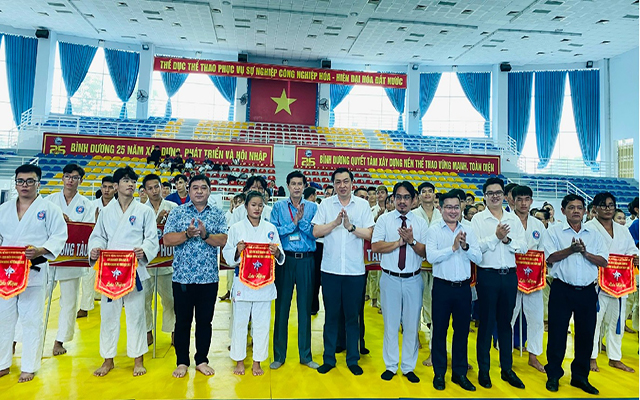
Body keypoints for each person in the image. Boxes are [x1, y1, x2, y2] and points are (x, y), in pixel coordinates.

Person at [88, 166, 160, 377]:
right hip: (110, 270)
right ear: (117, 185)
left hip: (134, 269)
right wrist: (96, 247)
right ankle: (107, 359)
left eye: (132, 181)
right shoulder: (106, 211)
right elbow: (98, 236)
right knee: (108, 315)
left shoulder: (144, 210)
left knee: (137, 315)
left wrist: (144, 249)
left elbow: (151, 239)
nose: (130, 184)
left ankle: (138, 359)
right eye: (126, 180)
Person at [0, 164, 67, 383]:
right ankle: (2, 363)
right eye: (20, 181)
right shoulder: (4, 209)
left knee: (31, 319)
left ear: (38, 183)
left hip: (34, 270)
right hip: (7, 273)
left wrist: (41, 250)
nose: (24, 186)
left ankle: (29, 366)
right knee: (3, 318)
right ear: (15, 183)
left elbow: (59, 236)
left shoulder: (48, 209)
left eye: (30, 181)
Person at [163, 174, 227, 378]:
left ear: (209, 191)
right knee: (182, 322)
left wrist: (206, 235)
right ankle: (182, 361)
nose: (199, 191)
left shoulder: (217, 214)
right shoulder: (178, 213)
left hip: (208, 279)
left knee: (205, 321)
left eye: (203, 188)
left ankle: (201, 360)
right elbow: (166, 240)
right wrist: (187, 235)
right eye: (195, 188)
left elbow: (224, 240)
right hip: (182, 278)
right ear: (189, 191)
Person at [311, 168, 374, 376]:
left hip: (355, 271)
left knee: (352, 316)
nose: (342, 185)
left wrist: (350, 226)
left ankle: (353, 359)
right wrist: (335, 223)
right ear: (334, 185)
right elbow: (315, 231)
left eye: (346, 181)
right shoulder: (326, 205)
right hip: (330, 270)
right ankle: (328, 358)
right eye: (338, 182)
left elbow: (370, 234)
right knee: (331, 316)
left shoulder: (363, 205)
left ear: (352, 183)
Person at [543, 194, 608, 395]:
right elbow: (550, 258)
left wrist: (585, 253)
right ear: (563, 210)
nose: (576, 211)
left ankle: (580, 377)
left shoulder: (594, 234)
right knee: (557, 334)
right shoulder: (553, 232)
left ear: (586, 211)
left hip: (587, 291)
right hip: (562, 289)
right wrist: (571, 250)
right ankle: (553, 375)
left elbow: (604, 261)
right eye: (571, 207)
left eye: (580, 207)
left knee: (586, 335)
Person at [471, 177, 528, 389]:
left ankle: (507, 369)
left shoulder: (513, 220)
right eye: (490, 193)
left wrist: (507, 240)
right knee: (485, 324)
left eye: (498, 192)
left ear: (505, 195)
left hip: (509, 276)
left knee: (506, 324)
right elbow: (475, 249)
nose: (495, 196)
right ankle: (484, 371)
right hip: (488, 276)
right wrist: (496, 238)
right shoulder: (477, 220)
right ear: (484, 196)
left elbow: (523, 247)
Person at [223, 191, 285, 376]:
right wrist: (237, 250)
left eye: (260, 205)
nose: (257, 208)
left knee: (262, 325)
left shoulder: (271, 229)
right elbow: (227, 255)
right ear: (246, 206)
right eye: (253, 205)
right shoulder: (236, 228)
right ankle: (239, 361)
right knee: (240, 324)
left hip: (264, 284)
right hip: (242, 282)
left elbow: (281, 256)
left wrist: (276, 252)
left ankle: (257, 362)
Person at [371, 181, 428, 384]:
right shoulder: (385, 221)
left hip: (413, 279)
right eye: (398, 197)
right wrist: (398, 243)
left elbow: (425, 252)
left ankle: (408, 367)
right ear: (392, 199)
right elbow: (376, 246)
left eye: (406, 197)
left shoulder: (420, 223)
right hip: (390, 279)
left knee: (412, 325)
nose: (402, 201)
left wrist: (411, 241)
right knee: (391, 324)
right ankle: (391, 365)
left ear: (414, 200)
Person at [426, 190, 481, 391]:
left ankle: (459, 373)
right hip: (441, 287)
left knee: (462, 332)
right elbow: (431, 257)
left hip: (463, 289)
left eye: (456, 207)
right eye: (448, 207)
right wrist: (453, 247)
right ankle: (439, 373)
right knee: (439, 331)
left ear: (461, 208)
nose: (452, 211)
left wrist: (465, 247)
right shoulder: (434, 230)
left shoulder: (469, 229)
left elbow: (479, 258)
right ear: (440, 208)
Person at [270, 171, 318, 370]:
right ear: (288, 186)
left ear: (304, 186)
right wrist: (293, 224)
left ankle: (305, 356)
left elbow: (315, 232)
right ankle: (279, 356)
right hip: (285, 259)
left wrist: (302, 222)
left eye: (300, 184)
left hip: (306, 260)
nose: (297, 187)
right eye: (293, 184)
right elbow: (273, 232)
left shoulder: (314, 207)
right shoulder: (279, 207)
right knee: (282, 308)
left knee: (305, 308)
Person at [45, 163, 95, 356]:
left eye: (75, 177)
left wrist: (71, 223)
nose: (70, 180)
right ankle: (17, 338)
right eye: (67, 176)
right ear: (62, 178)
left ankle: (60, 340)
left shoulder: (87, 205)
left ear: (81, 181)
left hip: (72, 257)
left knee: (69, 302)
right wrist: (59, 219)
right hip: (49, 257)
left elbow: (89, 230)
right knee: (36, 298)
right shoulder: (49, 201)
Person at [586, 193, 638, 374]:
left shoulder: (623, 230)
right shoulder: (589, 228)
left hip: (620, 282)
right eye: (603, 205)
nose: (607, 208)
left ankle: (615, 357)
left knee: (617, 321)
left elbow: (632, 250)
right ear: (595, 208)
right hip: (596, 282)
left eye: (610, 205)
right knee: (594, 322)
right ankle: (591, 357)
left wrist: (635, 258)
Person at [509, 185, 547, 373]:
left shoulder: (538, 225)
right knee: (509, 316)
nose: (523, 203)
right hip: (511, 274)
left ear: (531, 201)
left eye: (527, 199)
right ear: (512, 200)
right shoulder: (506, 220)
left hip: (533, 278)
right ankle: (505, 354)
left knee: (536, 318)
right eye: (519, 199)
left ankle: (534, 355)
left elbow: (544, 250)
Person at [142, 174, 177, 347]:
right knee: (144, 299)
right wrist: (155, 222)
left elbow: (180, 230)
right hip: (147, 263)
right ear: (145, 191)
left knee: (170, 299)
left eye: (157, 186)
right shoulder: (140, 209)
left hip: (167, 260)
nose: (155, 191)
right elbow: (137, 234)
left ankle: (173, 331)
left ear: (162, 186)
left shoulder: (173, 207)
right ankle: (148, 331)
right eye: (150, 188)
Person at [412, 181, 441, 366]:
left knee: (434, 307)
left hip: (438, 267)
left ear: (434, 195)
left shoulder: (442, 213)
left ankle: (434, 345)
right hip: (417, 265)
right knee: (415, 304)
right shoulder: (414, 214)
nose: (427, 194)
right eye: (424, 191)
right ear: (419, 195)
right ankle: (414, 336)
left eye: (430, 191)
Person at [79, 175, 116, 318]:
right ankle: (85, 306)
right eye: (104, 187)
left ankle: (115, 301)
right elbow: (85, 227)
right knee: (88, 276)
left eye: (110, 187)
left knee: (113, 276)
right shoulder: (91, 205)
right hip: (95, 245)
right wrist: (95, 223)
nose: (107, 190)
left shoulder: (120, 205)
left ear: (115, 188)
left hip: (112, 247)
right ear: (101, 188)